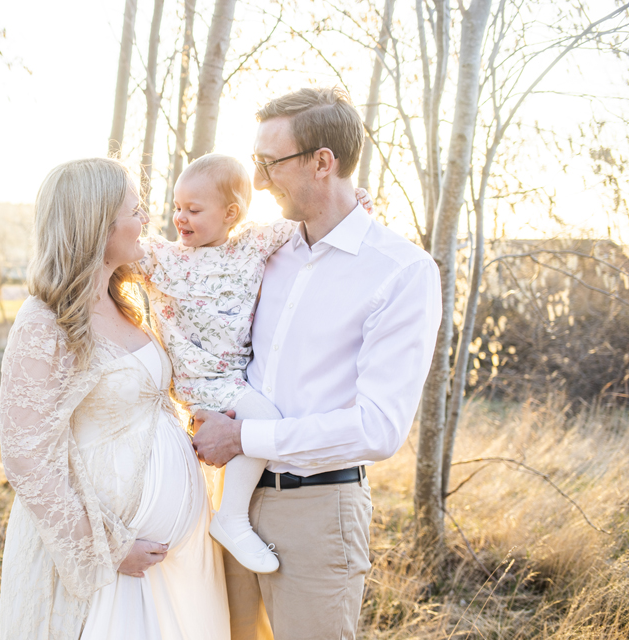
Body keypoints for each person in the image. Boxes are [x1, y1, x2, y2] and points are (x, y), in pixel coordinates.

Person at [191, 87, 442, 640]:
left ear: (322, 162)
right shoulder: (263, 250)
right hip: (230, 500)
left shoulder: (401, 271)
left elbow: (378, 428)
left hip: (318, 510)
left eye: (268, 164)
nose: (257, 182)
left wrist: (244, 439)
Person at [0, 157, 230, 640]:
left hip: (178, 564)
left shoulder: (130, 298)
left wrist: (342, 210)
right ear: (98, 225)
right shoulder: (46, 322)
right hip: (110, 567)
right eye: (136, 209)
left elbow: (232, 254)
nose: (148, 220)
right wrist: (105, 546)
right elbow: (26, 458)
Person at [137, 153, 372, 575]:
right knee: (264, 418)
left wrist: (357, 203)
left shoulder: (253, 244)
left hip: (235, 376)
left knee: (258, 421)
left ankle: (226, 513)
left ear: (231, 213)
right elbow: (112, 250)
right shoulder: (163, 258)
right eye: (176, 207)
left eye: (193, 210)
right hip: (198, 379)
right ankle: (231, 519)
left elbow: (316, 224)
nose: (179, 218)